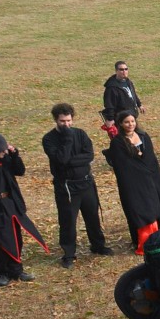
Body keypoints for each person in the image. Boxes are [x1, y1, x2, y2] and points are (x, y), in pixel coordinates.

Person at [0, 132, 47, 286]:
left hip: (11, 204)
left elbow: (20, 171)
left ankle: (16, 270)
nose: (4, 152)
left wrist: (14, 155)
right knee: (0, 241)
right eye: (2, 149)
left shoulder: (5, 160)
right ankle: (2, 272)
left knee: (16, 237)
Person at [42, 103, 113, 269]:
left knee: (92, 216)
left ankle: (97, 245)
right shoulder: (49, 139)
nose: (66, 124)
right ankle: (68, 253)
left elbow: (89, 155)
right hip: (66, 187)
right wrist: (67, 141)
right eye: (62, 121)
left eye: (68, 121)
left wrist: (70, 162)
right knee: (67, 221)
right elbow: (60, 160)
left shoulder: (80, 134)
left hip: (86, 183)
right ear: (55, 120)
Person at [103, 110, 160, 253]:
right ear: (120, 123)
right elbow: (123, 165)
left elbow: (151, 158)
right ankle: (144, 241)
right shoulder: (118, 142)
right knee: (140, 208)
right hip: (134, 182)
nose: (130, 124)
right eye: (126, 122)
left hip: (151, 178)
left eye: (132, 121)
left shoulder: (144, 136)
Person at [101, 60, 144, 126]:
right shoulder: (112, 88)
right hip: (121, 119)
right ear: (116, 71)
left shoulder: (128, 81)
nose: (124, 71)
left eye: (126, 69)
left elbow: (133, 95)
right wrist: (110, 119)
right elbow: (109, 104)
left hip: (131, 116)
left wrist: (139, 105)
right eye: (121, 70)